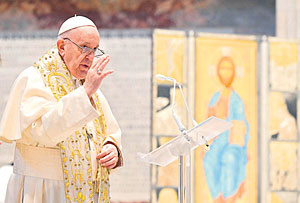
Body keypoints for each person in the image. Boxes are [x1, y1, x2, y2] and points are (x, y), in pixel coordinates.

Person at [0, 15, 123, 203]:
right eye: (84, 47)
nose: (90, 57)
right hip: (43, 189)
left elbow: (109, 129)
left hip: (86, 189)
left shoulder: (84, 84)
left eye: (95, 49)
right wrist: (85, 93)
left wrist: (112, 147)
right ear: (62, 47)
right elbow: (43, 131)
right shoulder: (34, 79)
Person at [202, 56, 249, 203]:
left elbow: (240, 127)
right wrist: (206, 145)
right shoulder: (215, 97)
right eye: (222, 68)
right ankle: (218, 198)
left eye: (229, 69)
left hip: (233, 142)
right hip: (217, 141)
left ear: (234, 72)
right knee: (208, 161)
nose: (225, 72)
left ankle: (229, 198)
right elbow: (208, 125)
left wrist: (236, 146)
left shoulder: (236, 100)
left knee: (229, 159)